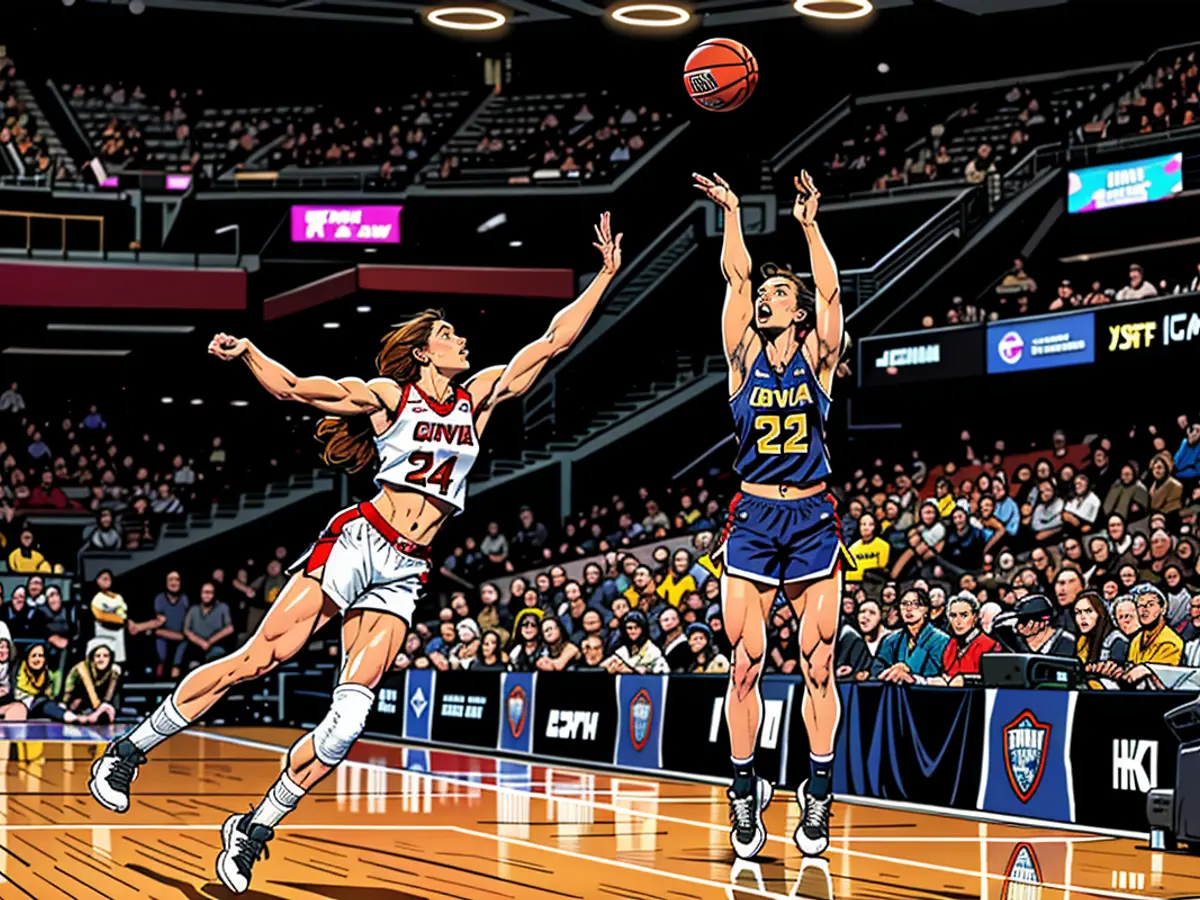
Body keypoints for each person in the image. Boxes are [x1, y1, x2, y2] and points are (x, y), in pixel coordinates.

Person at [89, 213, 624, 895]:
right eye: (449, 335)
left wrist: (605, 276)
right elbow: (294, 389)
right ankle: (128, 750)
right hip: (360, 540)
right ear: (425, 354)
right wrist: (249, 351)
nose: (463, 340)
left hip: (407, 568)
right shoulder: (387, 398)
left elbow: (550, 343)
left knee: (347, 723)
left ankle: (252, 830)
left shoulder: (478, 397)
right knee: (261, 658)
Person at [694, 169, 844, 859]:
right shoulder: (742, 356)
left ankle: (817, 792)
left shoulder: (818, 354)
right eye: (765, 292)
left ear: (801, 310)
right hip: (753, 517)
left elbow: (835, 291)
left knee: (819, 665)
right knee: (746, 663)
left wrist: (810, 225)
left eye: (778, 293)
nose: (764, 299)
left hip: (812, 519)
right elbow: (733, 279)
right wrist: (730, 213)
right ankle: (744, 788)